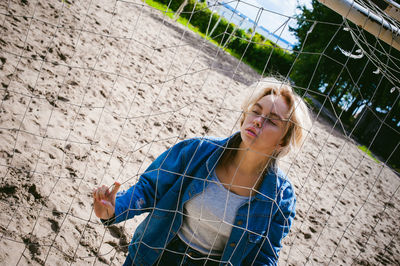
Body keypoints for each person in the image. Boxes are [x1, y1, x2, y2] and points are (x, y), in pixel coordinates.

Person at [93, 78, 312, 265]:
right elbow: (150, 189)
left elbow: (265, 256)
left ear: (283, 141)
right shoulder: (198, 150)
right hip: (154, 254)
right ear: (244, 116)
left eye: (272, 121)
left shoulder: (281, 196)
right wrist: (115, 209)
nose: (258, 120)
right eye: (255, 111)